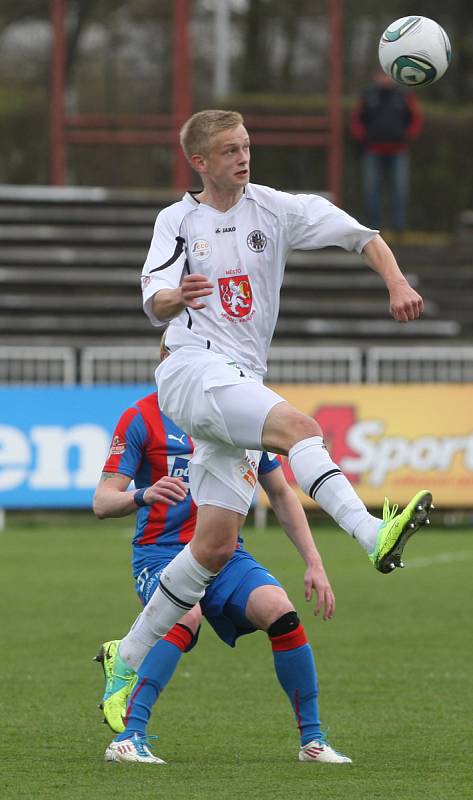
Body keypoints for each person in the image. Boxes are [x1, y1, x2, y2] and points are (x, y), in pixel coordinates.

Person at [105, 109, 432, 727]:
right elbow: (153, 296)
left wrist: (396, 282)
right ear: (199, 161)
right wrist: (178, 295)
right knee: (300, 429)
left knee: (213, 546)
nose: (243, 157)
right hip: (191, 369)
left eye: (247, 145)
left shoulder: (275, 209)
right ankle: (370, 534)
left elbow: (361, 234)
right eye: (229, 149)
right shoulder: (178, 219)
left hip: (236, 384)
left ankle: (126, 655)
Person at [93, 381, 350, 765]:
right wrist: (142, 494)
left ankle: (312, 741)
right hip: (159, 554)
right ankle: (128, 737)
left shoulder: (241, 415)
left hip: (226, 554)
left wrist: (314, 562)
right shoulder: (141, 417)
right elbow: (102, 500)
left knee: (280, 610)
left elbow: (280, 494)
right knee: (185, 614)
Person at [350, 70, 423, 233]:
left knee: (399, 191)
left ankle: (399, 227)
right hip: (373, 151)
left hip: (398, 152)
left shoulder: (404, 95)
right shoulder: (368, 95)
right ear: (376, 77)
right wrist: (364, 138)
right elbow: (356, 120)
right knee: (372, 191)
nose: (385, 79)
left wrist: (408, 137)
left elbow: (416, 119)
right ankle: (373, 227)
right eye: (381, 75)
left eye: (387, 76)